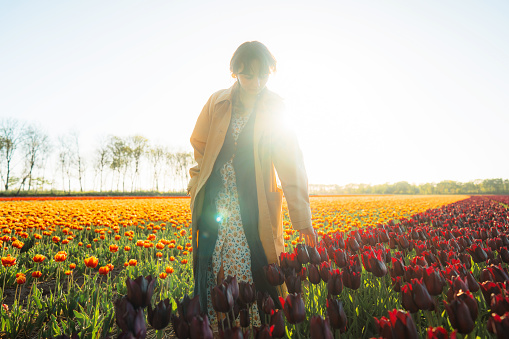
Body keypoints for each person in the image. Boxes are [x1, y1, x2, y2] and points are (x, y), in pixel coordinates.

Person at [188, 41, 316, 324]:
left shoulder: (275, 108)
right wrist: (196, 182)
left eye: (263, 75)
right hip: (215, 198)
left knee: (249, 260)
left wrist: (302, 218)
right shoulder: (217, 102)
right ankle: (216, 324)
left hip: (254, 201)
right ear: (235, 73)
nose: (256, 83)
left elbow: (291, 164)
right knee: (212, 260)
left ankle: (252, 325)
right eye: (248, 75)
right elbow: (200, 144)